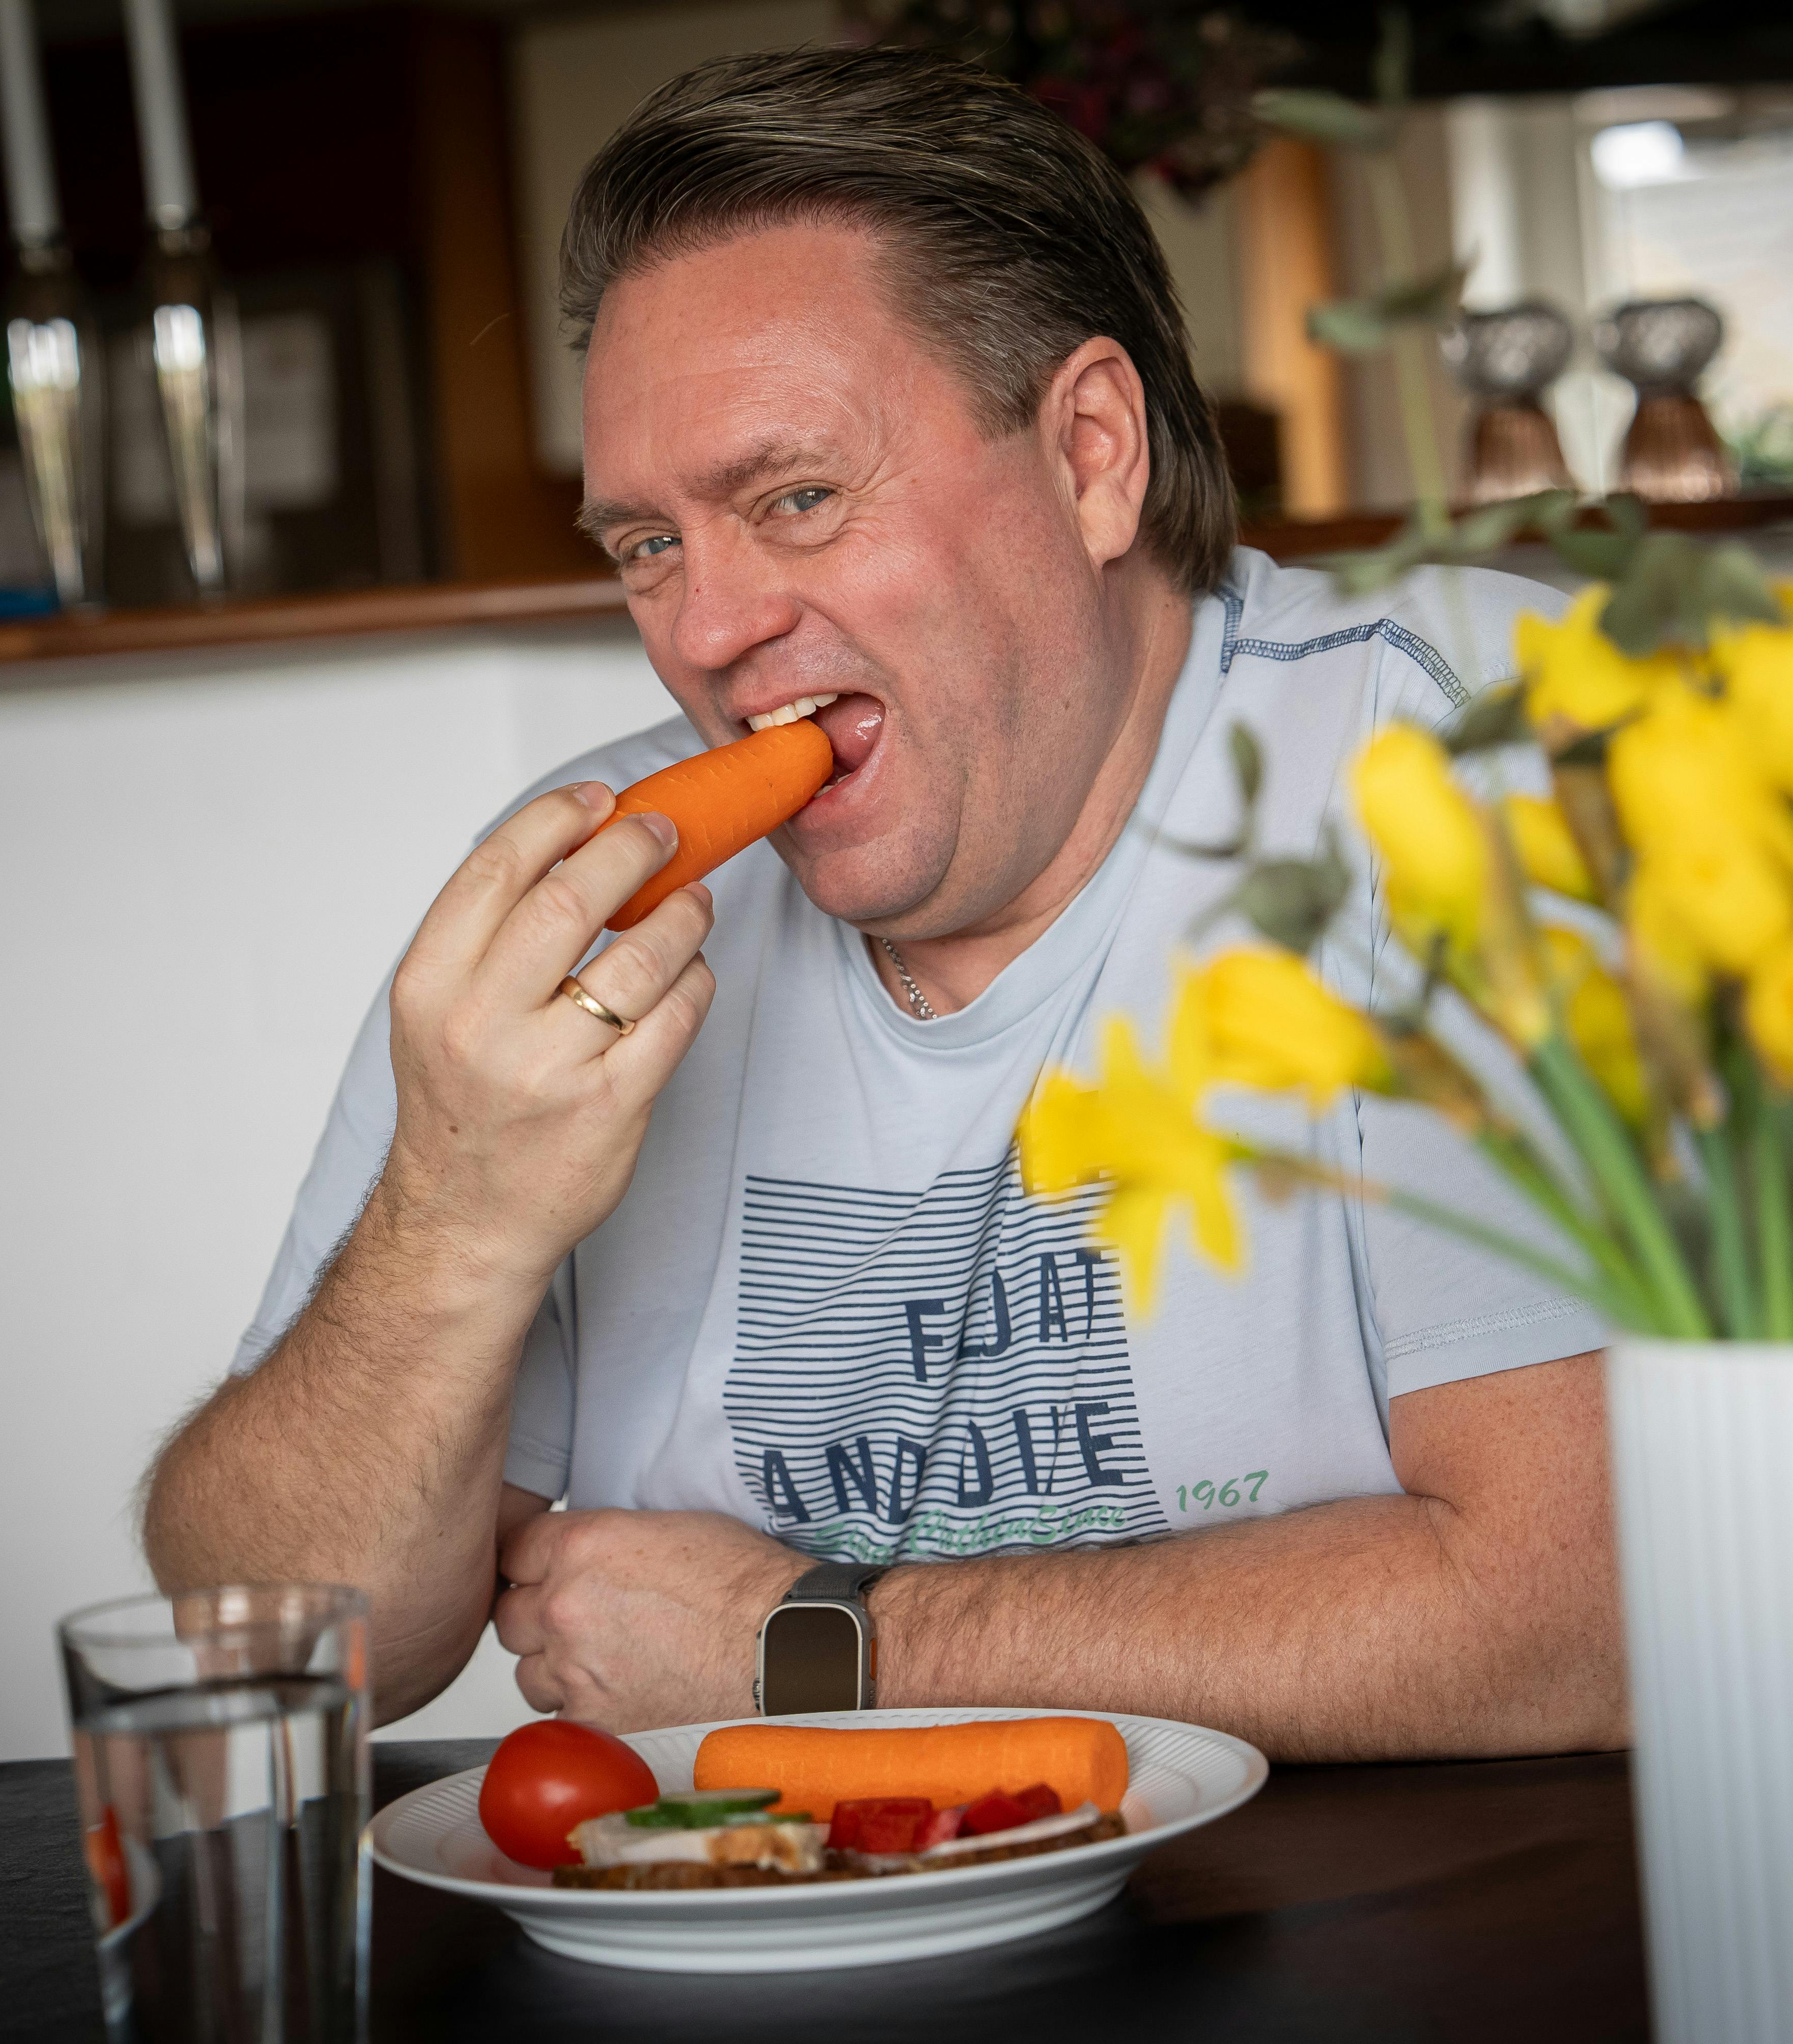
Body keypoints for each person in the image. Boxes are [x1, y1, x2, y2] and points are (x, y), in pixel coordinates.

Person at [142, 45, 1624, 1762]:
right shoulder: (597, 899)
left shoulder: (1462, 753)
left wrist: (811, 1643)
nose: (710, 632)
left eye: (797, 500)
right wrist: (450, 1219)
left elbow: (1577, 1615)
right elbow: (278, 1650)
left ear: (1089, 455)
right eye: (646, 545)